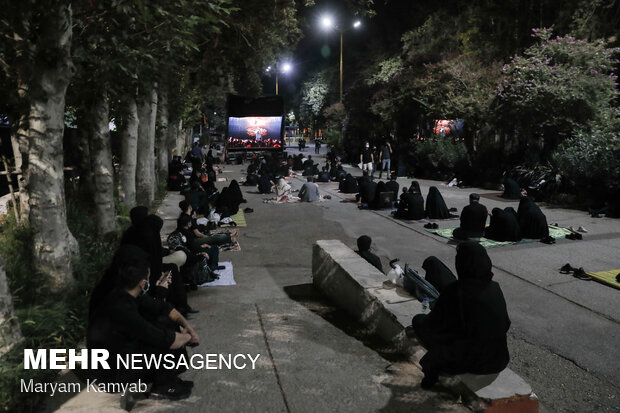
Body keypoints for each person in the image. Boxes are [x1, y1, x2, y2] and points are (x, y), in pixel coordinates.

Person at [88, 262, 197, 399]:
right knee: (163, 331)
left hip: (120, 360)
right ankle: (163, 386)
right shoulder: (122, 309)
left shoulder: (125, 294)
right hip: (112, 377)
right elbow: (163, 339)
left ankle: (167, 378)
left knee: (164, 320)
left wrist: (188, 327)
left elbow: (163, 307)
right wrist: (188, 337)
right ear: (142, 283)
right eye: (148, 278)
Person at [411, 242, 510, 389]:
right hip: (499, 358)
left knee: (419, 322)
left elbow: (435, 324)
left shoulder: (456, 291)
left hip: (473, 362)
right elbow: (504, 324)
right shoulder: (494, 287)